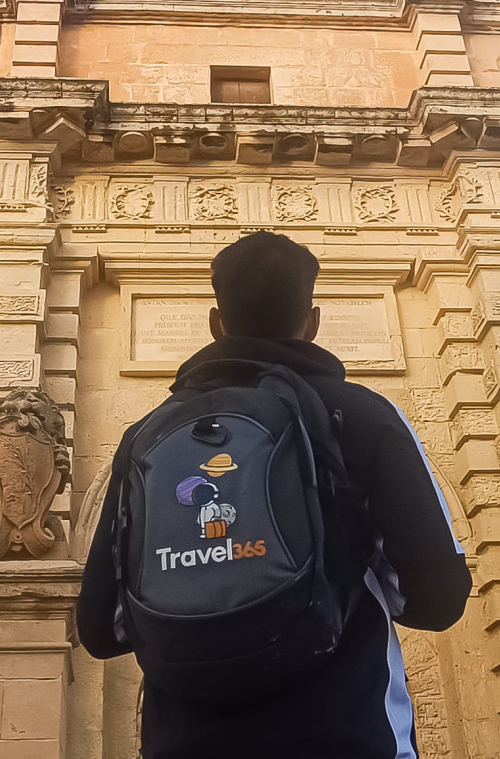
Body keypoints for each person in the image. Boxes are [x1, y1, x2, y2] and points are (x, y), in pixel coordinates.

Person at [77, 231, 472, 759]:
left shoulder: (144, 437)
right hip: (344, 736)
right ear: (312, 324)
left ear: (217, 324)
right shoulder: (363, 415)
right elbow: (437, 599)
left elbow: (102, 630)